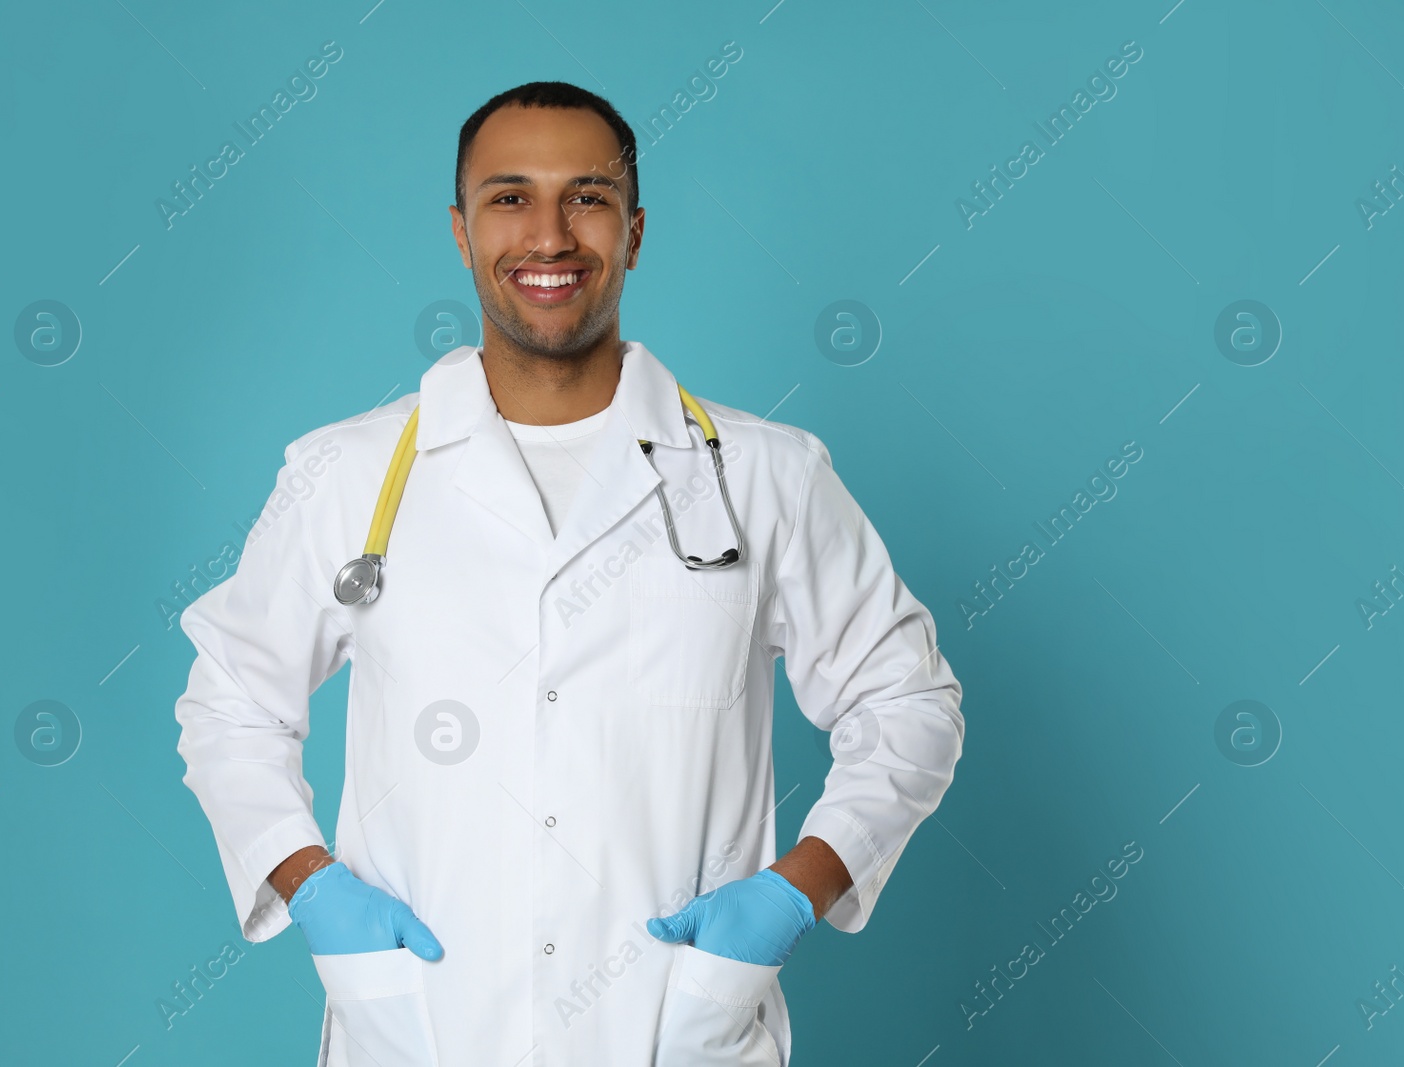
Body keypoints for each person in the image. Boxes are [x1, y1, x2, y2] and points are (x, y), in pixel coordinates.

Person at [173, 80, 964, 1067]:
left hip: (676, 1027)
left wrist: (793, 886)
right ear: (460, 232)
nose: (548, 235)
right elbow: (230, 702)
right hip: (421, 1023)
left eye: (584, 197)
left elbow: (907, 701)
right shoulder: (346, 475)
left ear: (633, 231)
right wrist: (312, 884)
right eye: (510, 197)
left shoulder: (765, 473)